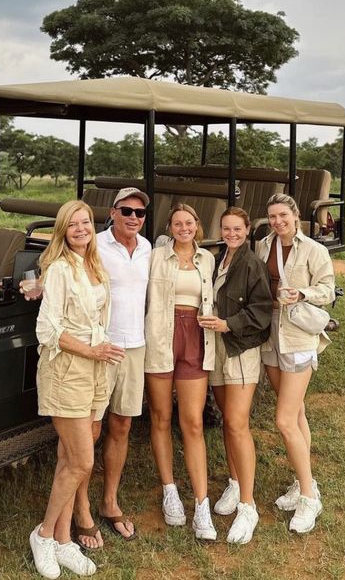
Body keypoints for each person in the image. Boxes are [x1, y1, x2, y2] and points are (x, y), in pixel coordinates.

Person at [29, 200, 125, 579]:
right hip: (67, 370)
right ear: (63, 230)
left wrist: (98, 353)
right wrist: (91, 350)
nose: (81, 229)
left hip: (96, 370)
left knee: (68, 459)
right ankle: (43, 534)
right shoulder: (58, 269)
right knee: (83, 461)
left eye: (86, 222)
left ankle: (65, 539)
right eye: (73, 224)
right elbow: (47, 329)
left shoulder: (94, 264)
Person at [72, 187, 151, 546]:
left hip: (134, 347)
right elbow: (65, 270)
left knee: (121, 425)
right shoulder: (96, 245)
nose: (134, 217)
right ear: (113, 213)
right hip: (101, 347)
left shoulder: (148, 248)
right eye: (127, 211)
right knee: (90, 429)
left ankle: (109, 501)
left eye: (140, 212)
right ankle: (81, 508)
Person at [256, 193, 335, 535]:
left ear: (296, 216)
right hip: (271, 333)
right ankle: (304, 481)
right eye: (272, 216)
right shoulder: (263, 246)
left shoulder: (314, 250)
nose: (277, 221)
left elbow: (328, 290)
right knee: (297, 411)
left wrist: (302, 293)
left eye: (283, 215)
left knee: (284, 420)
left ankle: (308, 496)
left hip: (299, 336)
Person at [198, 207, 271, 544]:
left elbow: (261, 310)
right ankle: (234, 481)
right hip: (218, 348)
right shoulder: (217, 259)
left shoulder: (251, 264)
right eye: (226, 228)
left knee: (239, 424)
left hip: (241, 349)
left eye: (237, 229)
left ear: (246, 230)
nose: (231, 233)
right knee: (228, 421)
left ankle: (248, 505)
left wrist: (229, 324)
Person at [145, 204, 218, 540]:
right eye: (177, 223)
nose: (183, 227)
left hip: (196, 336)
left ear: (197, 225)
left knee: (192, 421)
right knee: (161, 416)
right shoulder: (155, 257)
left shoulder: (208, 260)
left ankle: (202, 504)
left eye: (189, 222)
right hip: (161, 337)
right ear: (170, 227)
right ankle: (169, 489)